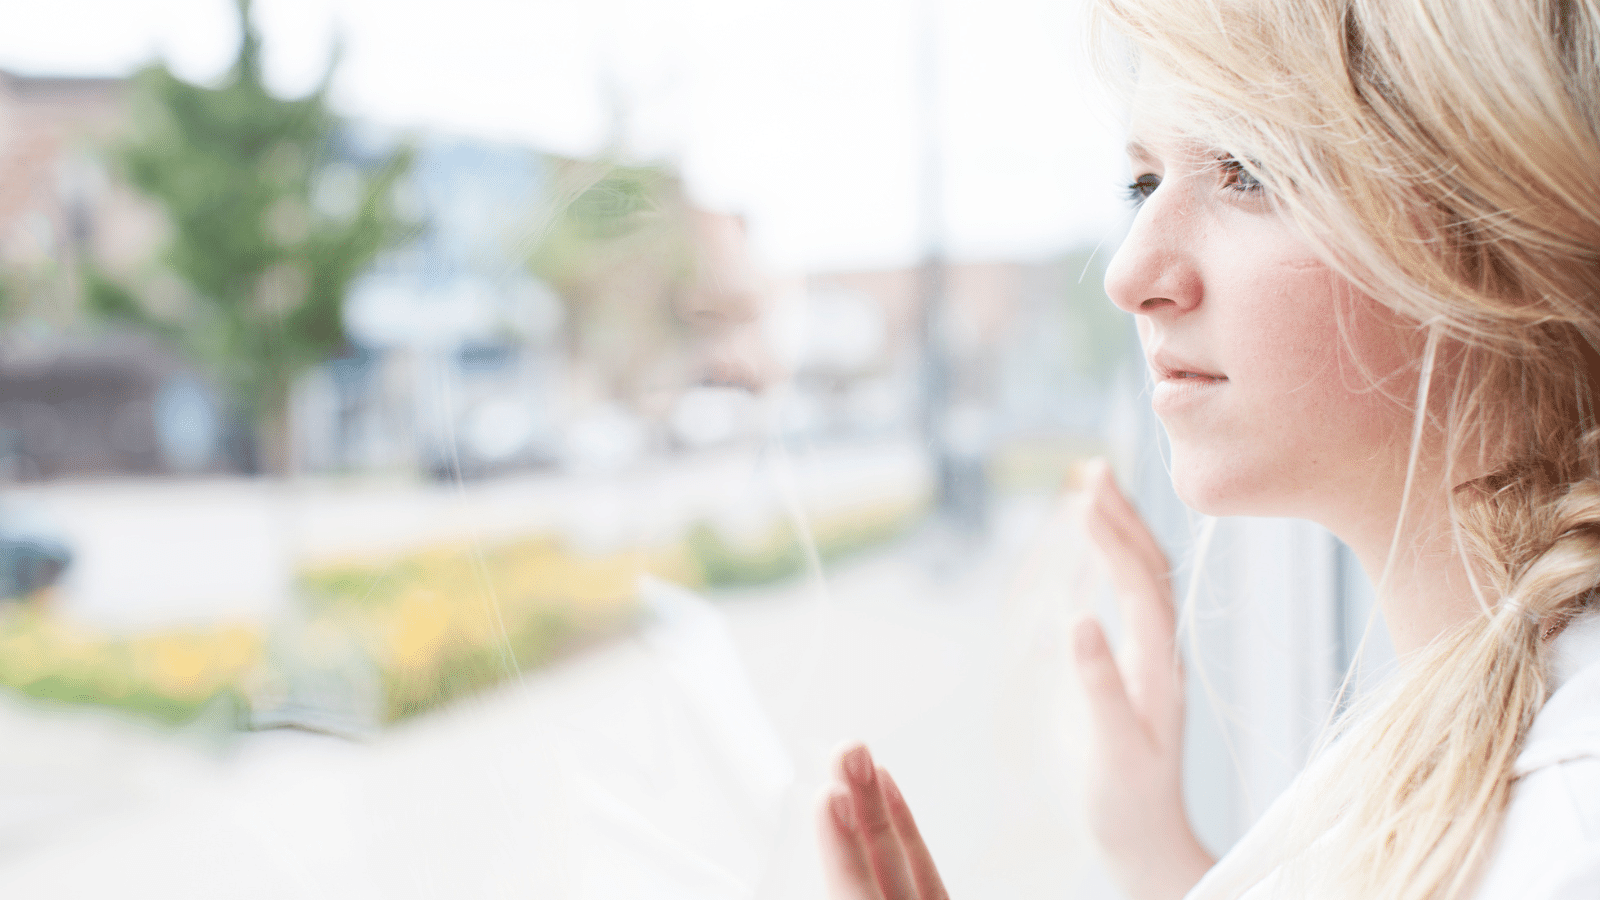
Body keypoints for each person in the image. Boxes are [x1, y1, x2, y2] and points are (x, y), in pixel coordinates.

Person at [817, 0, 1600, 898]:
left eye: (1249, 169)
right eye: (1144, 184)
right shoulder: (1495, 755)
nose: (1128, 275)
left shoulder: (1566, 835)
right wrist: (1152, 852)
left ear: (1497, 224)